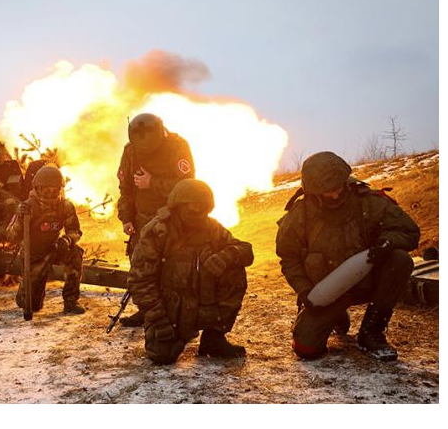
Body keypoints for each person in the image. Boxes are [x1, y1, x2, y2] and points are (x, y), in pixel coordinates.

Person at [276, 151, 420, 361]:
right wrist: (305, 290)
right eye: (328, 192)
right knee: (306, 349)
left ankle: (371, 331)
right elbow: (289, 258)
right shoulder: (300, 215)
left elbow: (408, 231)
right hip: (328, 290)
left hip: (368, 281)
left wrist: (387, 242)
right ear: (313, 191)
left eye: (338, 188)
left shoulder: (368, 201)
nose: (335, 195)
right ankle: (336, 316)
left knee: (400, 259)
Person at [128, 179, 253, 364]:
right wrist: (158, 320)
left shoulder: (212, 228)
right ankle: (177, 333)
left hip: (203, 303)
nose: (198, 212)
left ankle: (214, 338)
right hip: (171, 310)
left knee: (235, 272)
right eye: (193, 206)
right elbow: (140, 282)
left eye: (203, 207)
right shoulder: (159, 232)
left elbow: (246, 251)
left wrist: (227, 256)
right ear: (179, 206)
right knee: (162, 355)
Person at [117, 113, 195, 327]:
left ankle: (175, 313)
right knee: (141, 268)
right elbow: (126, 190)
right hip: (141, 221)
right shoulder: (130, 151)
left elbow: (187, 186)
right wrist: (126, 218)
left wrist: (152, 182)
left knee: (173, 268)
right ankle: (147, 310)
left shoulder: (177, 146)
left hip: (172, 219)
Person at [8, 165, 86, 314]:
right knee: (32, 305)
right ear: (38, 189)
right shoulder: (27, 207)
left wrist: (67, 240)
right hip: (34, 255)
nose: (50, 194)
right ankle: (24, 292)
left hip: (55, 248)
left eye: (54, 190)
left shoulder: (65, 206)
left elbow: (75, 231)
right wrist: (20, 219)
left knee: (75, 253)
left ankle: (71, 301)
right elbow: (12, 236)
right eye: (46, 190)